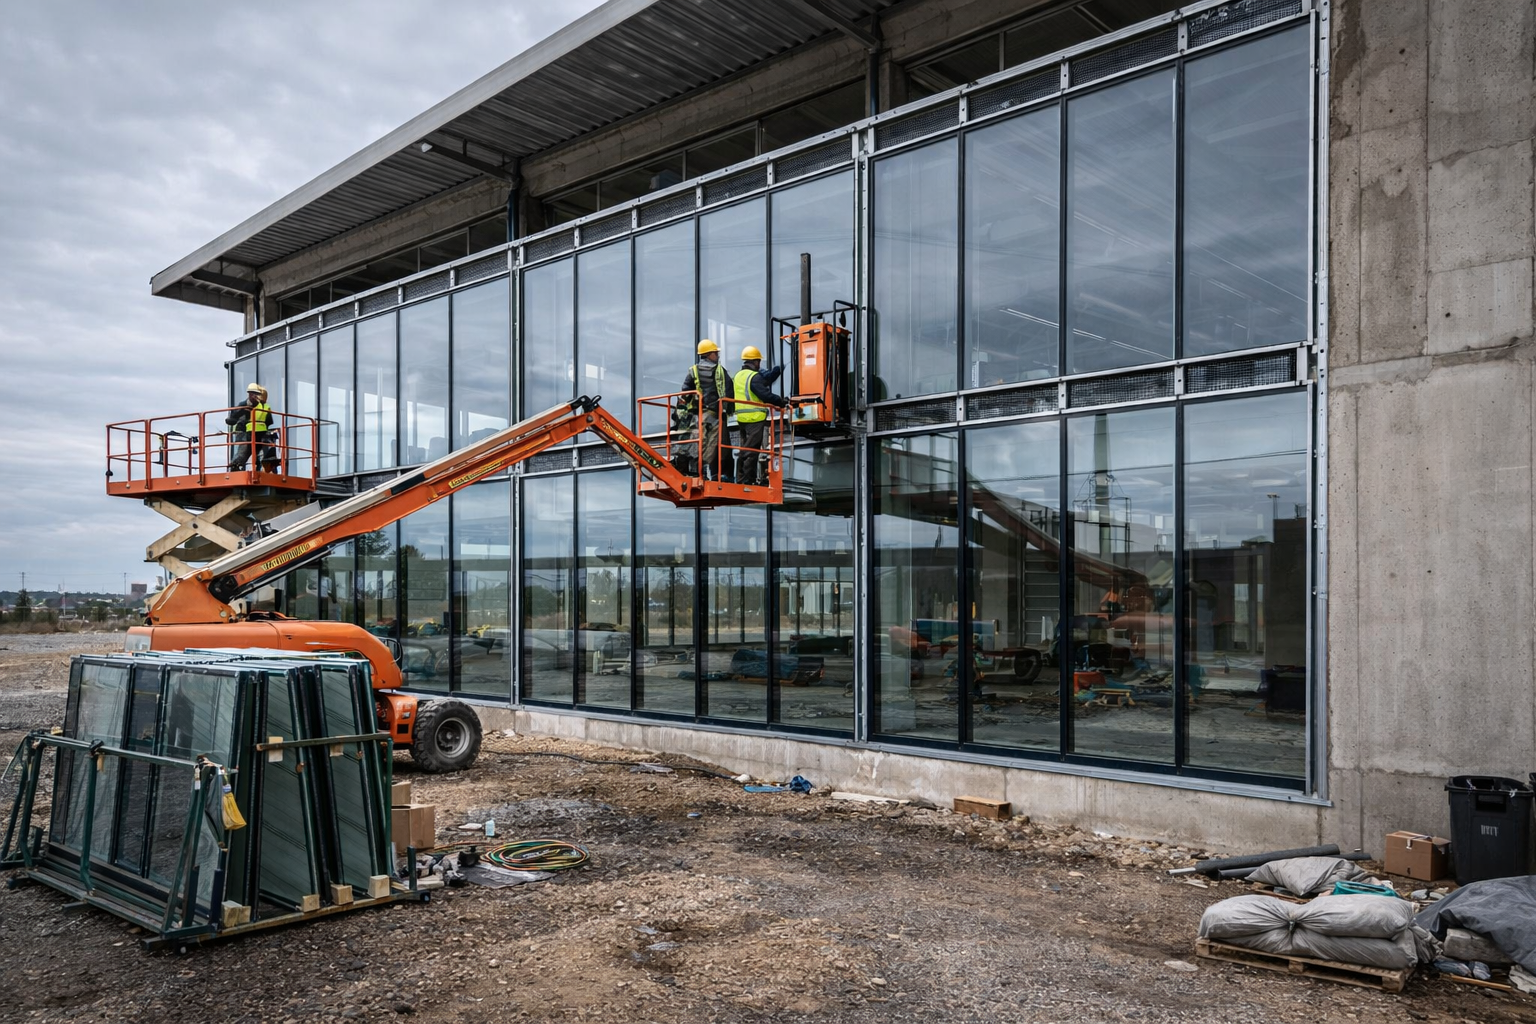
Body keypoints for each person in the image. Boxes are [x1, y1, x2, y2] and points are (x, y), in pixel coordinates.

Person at [732, 345, 789, 486]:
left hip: (742, 418)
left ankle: (741, 478)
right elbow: (764, 394)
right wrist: (780, 401)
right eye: (759, 362)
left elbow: (762, 384)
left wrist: (775, 373)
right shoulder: (753, 376)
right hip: (754, 418)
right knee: (751, 450)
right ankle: (748, 479)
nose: (759, 365)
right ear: (755, 361)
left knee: (746, 447)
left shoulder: (738, 376)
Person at [680, 339, 733, 481]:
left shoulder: (693, 371)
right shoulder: (720, 370)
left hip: (699, 416)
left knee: (699, 445)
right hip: (715, 414)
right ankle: (718, 475)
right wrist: (728, 411)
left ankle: (699, 473)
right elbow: (729, 391)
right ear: (709, 354)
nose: (717, 356)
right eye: (715, 353)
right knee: (719, 447)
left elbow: (685, 391)